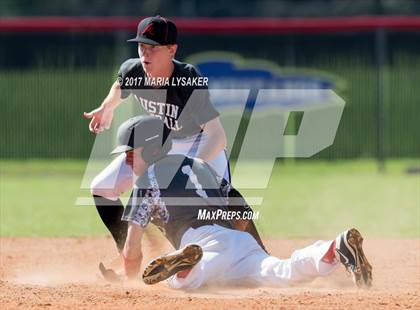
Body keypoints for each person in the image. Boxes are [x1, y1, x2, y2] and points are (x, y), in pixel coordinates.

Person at [99, 115, 373, 290]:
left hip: (200, 242)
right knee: (282, 271)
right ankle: (334, 248)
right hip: (239, 241)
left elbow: (133, 244)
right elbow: (241, 213)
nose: (127, 161)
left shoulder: (147, 180)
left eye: (131, 154)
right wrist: (254, 251)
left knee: (179, 282)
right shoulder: (201, 167)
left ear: (153, 149)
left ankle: (183, 267)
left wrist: (129, 278)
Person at [83, 16, 240, 253]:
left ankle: (238, 257)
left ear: (171, 50)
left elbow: (218, 136)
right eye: (142, 47)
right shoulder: (133, 69)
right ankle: (128, 253)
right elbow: (119, 87)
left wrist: (190, 168)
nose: (145, 54)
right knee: (102, 187)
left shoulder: (187, 80)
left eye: (153, 48)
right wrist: (107, 107)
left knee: (220, 210)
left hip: (201, 145)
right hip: (161, 145)